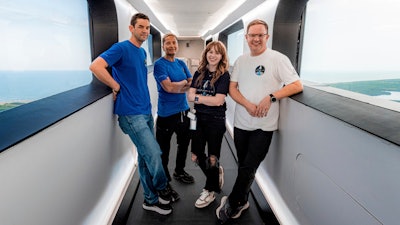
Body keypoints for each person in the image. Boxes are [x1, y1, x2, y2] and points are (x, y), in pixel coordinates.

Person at [216, 19, 303, 223]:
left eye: (260, 35)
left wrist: (271, 97)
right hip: (241, 123)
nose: (256, 39)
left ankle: (233, 203)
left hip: (264, 126)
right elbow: (232, 88)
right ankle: (243, 200)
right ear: (246, 37)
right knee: (244, 165)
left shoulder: (277, 59)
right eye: (252, 35)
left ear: (267, 36)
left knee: (249, 166)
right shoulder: (241, 60)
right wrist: (247, 104)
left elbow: (297, 85)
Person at [89, 13, 173, 216]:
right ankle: (163, 188)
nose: (145, 31)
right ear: (131, 28)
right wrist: (115, 85)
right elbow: (95, 66)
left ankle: (150, 200)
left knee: (145, 157)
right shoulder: (121, 48)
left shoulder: (142, 53)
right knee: (154, 153)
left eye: (147, 28)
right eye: (141, 27)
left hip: (145, 110)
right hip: (130, 114)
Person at [187, 41, 230, 209]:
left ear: (221, 56)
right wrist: (205, 100)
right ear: (205, 54)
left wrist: (198, 97)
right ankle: (216, 174)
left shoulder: (224, 75)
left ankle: (210, 190)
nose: (212, 55)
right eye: (210, 52)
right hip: (196, 119)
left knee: (212, 157)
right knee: (196, 155)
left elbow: (219, 101)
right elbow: (190, 96)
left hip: (215, 121)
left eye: (217, 53)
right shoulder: (199, 72)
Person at [153, 33, 194, 201]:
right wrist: (181, 85)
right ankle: (165, 181)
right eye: (168, 43)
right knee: (164, 151)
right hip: (166, 114)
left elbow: (192, 82)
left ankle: (179, 170)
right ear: (163, 46)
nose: (171, 46)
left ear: (177, 45)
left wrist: (178, 85)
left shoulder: (181, 63)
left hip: (184, 111)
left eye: (174, 43)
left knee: (184, 144)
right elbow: (168, 88)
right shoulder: (159, 65)